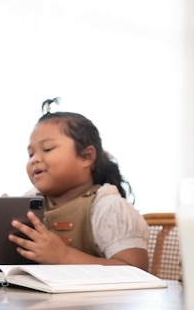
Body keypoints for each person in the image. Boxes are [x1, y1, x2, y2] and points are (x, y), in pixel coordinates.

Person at [9, 98, 149, 270]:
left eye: (47, 149)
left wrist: (64, 257)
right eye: (30, 154)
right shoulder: (29, 201)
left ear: (86, 157)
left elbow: (137, 272)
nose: (35, 159)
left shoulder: (107, 208)